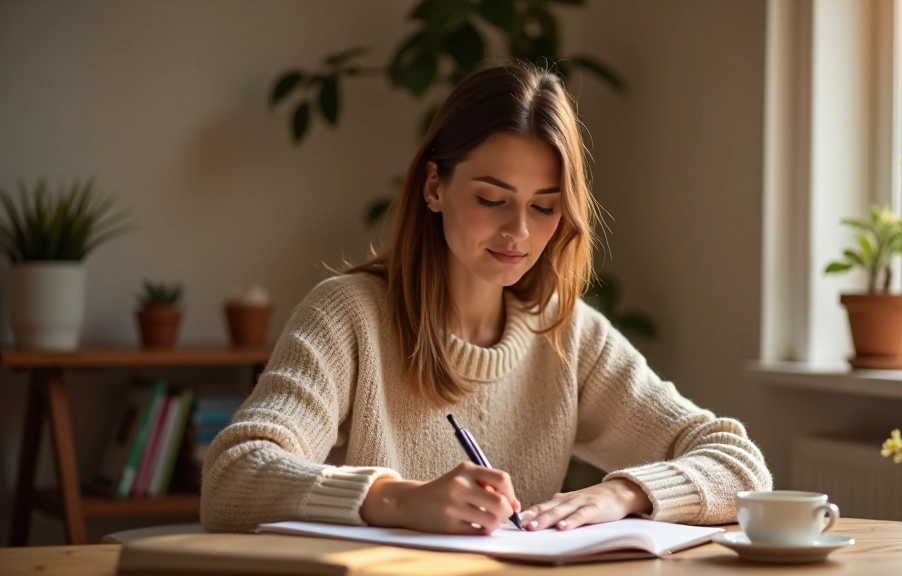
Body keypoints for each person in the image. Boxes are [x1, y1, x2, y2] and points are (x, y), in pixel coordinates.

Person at [201, 62, 772, 536]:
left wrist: (622, 493)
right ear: (433, 187)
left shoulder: (568, 333)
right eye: (491, 199)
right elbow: (232, 475)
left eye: (544, 207)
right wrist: (399, 500)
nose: (518, 232)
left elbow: (742, 467)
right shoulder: (347, 315)